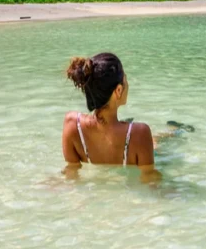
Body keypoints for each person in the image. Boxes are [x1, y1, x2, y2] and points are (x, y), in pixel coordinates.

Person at [62, 52, 158, 181]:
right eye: (126, 79)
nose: (128, 84)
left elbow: (71, 173)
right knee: (156, 143)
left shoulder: (72, 124)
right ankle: (171, 132)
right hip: (131, 143)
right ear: (118, 90)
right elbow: (149, 179)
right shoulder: (140, 133)